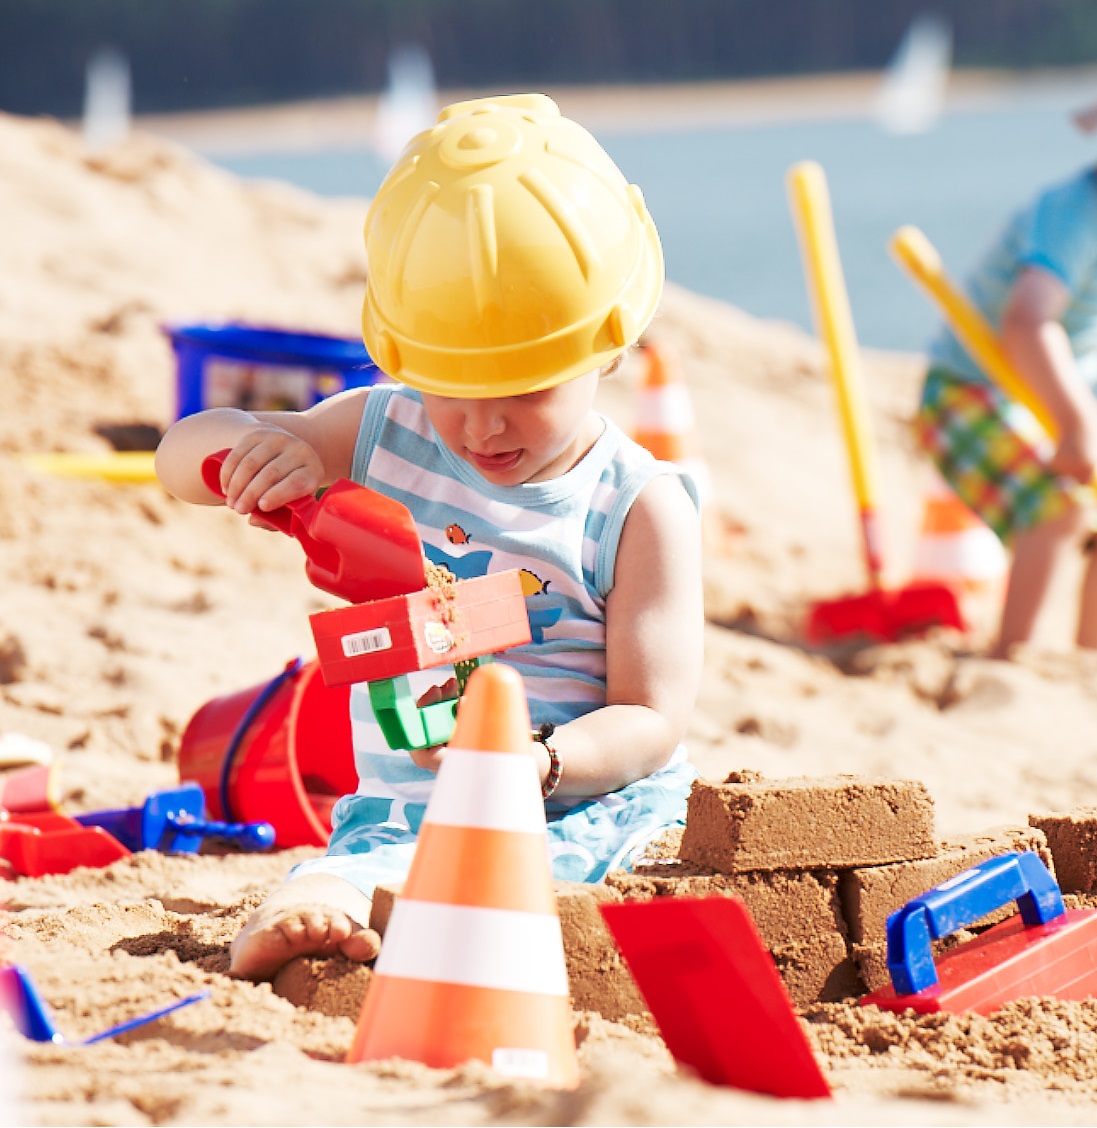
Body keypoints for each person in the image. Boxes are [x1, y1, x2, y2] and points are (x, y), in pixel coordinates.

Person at [156, 93, 704, 982]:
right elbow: (179, 455)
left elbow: (652, 715)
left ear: (608, 345)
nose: (483, 426)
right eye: (452, 387)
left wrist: (544, 763)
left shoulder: (638, 505)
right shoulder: (384, 430)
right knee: (346, 878)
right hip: (413, 813)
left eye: (526, 389)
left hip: (587, 802)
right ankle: (322, 923)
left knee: (640, 871)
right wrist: (255, 455)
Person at [914, 103, 1097, 659]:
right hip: (966, 393)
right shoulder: (1075, 214)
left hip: (1060, 393)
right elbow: (1027, 322)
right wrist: (1074, 423)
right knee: (1058, 509)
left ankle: (1088, 663)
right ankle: (1013, 660)